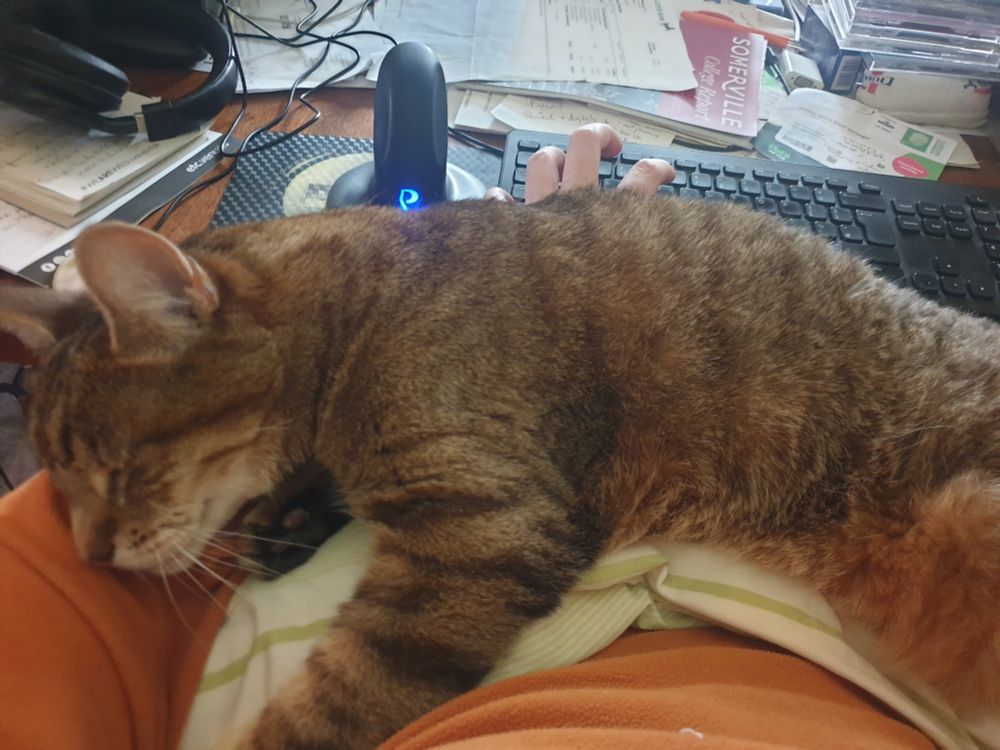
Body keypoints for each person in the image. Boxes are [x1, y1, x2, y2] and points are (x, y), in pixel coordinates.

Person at [0, 125, 935, 750]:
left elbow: (490, 555)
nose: (96, 542)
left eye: (126, 478)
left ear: (202, 315)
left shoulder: (390, 355)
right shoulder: (341, 346)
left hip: (914, 478)